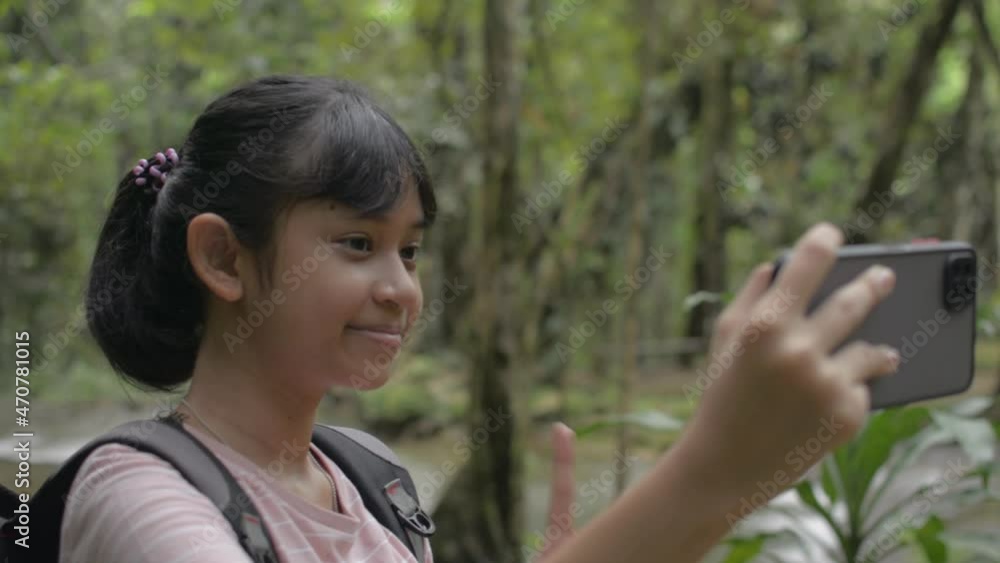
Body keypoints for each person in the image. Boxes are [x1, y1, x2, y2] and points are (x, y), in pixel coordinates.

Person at [67, 74, 900, 563]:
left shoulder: (373, 480)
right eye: (357, 243)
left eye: (410, 251)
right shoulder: (137, 500)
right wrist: (713, 471)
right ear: (223, 258)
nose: (400, 288)